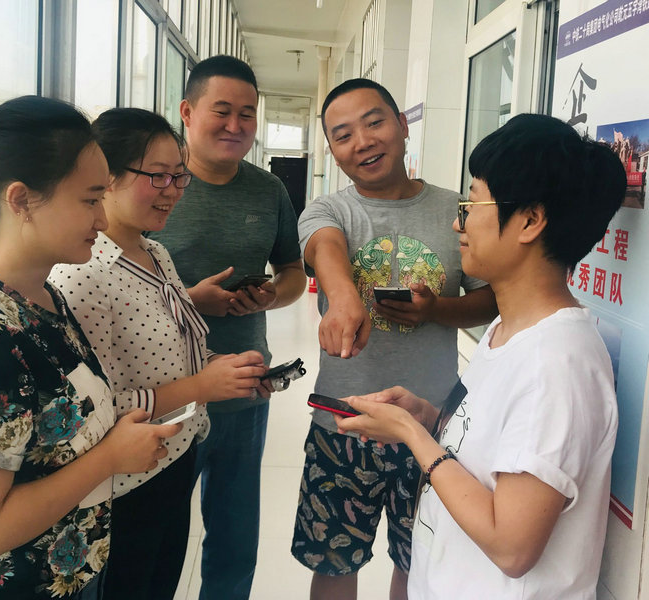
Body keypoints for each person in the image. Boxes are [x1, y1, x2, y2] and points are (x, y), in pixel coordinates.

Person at [0, 90, 181, 600]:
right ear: (21, 200)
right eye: (90, 200)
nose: (102, 220)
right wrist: (109, 458)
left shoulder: (42, 298)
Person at [335, 113, 625, 599]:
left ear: (529, 221)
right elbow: (498, 452)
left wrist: (411, 435)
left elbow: (512, 546)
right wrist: (428, 418)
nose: (458, 222)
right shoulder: (507, 329)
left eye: (470, 204)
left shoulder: (558, 364)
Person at [290, 78, 499, 600]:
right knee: (333, 563)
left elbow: (490, 299)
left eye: (374, 122)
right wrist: (344, 298)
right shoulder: (327, 210)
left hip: (432, 426)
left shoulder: (458, 211)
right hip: (343, 423)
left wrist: (436, 310)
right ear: (332, 149)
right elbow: (325, 248)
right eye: (343, 135)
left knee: (419, 563)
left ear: (404, 126)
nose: (362, 141)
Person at [48, 107, 268, 600]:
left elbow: (174, 353)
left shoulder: (156, 254)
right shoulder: (83, 273)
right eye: (158, 176)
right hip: (120, 489)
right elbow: (93, 410)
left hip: (173, 459)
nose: (172, 190)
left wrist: (224, 369)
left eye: (179, 176)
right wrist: (201, 386)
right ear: (105, 177)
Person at [147, 55, 307, 600]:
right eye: (222, 111)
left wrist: (271, 296)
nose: (235, 126)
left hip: (243, 387)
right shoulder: (157, 187)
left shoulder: (269, 192)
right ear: (188, 112)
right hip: (163, 394)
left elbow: (293, 272)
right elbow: (113, 283)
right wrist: (191, 303)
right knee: (156, 538)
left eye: (247, 114)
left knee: (235, 537)